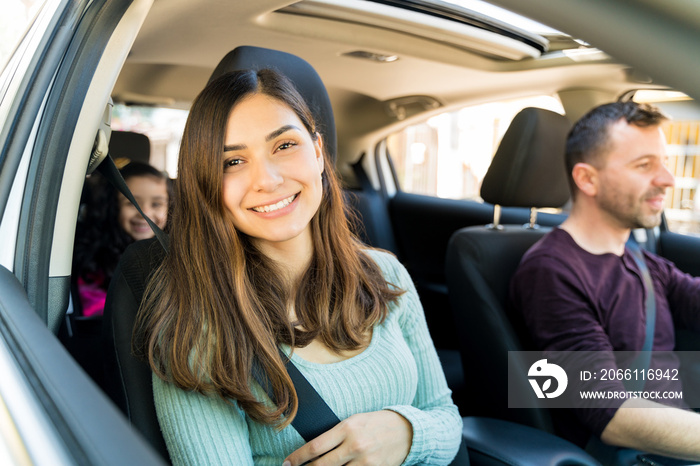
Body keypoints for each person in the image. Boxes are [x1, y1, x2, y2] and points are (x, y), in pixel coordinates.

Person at [131, 68, 462, 466]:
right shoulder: (194, 327)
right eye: (233, 161)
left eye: (284, 145)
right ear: (205, 184)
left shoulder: (385, 274)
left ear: (318, 151)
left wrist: (407, 432)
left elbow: (444, 415)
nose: (267, 180)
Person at [510, 101, 700, 462]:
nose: (668, 179)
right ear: (587, 179)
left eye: (665, 163)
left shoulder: (643, 263)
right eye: (645, 165)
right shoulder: (551, 272)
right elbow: (611, 414)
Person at [73, 161, 171, 317]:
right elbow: (100, 317)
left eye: (156, 204)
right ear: (113, 206)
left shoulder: (173, 255)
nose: (144, 213)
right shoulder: (95, 261)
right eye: (132, 203)